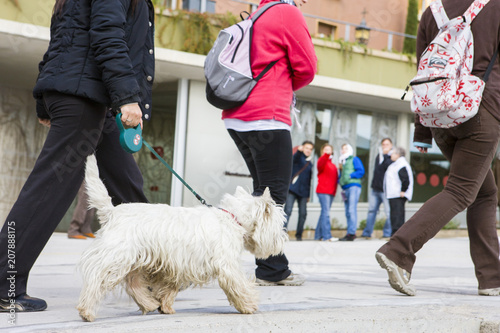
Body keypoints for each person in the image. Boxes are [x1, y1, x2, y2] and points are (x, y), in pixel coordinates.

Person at [0, 0, 154, 312]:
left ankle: (153, 274)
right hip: (86, 98)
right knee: (49, 190)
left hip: (97, 98)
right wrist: (127, 97)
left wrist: (45, 101)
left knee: (128, 188)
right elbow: (107, 35)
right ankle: (5, 283)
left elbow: (61, 39)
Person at [376, 0, 500, 297]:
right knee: (460, 191)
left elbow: (424, 74)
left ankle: (491, 278)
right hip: (479, 109)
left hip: (441, 116)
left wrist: (422, 131)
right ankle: (399, 250)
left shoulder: (431, 12)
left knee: (484, 192)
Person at [222, 0, 317, 286]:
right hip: (267, 117)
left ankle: (268, 264)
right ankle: (269, 270)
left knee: (262, 194)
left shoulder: (256, 15)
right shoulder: (286, 12)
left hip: (237, 116)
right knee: (274, 199)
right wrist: (283, 85)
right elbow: (308, 66)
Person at [361, 138, 394, 239]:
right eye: (383, 144)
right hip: (375, 189)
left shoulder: (392, 157)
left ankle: (387, 234)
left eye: (387, 144)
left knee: (389, 212)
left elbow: (386, 166)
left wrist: (385, 155)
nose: (385, 146)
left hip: (386, 191)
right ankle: (367, 233)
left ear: (391, 145)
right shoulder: (378, 156)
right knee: (371, 211)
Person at [284, 141, 314, 241]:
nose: (308, 150)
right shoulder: (297, 157)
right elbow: (294, 159)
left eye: (310, 149)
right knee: (287, 211)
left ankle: (299, 235)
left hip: (304, 193)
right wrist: (299, 152)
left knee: (303, 214)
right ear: (302, 148)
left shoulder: (310, 163)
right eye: (306, 148)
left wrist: (309, 195)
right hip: (292, 189)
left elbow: (309, 181)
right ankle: (281, 233)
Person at [338, 144, 365, 241]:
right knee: (347, 212)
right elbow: (341, 176)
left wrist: (350, 176)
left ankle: (352, 233)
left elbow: (361, 171)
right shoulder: (342, 162)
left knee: (351, 209)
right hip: (345, 188)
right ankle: (349, 232)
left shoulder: (354, 159)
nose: (343, 150)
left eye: (346, 148)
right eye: (342, 148)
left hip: (353, 186)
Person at [384, 147, 413, 235]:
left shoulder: (401, 164)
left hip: (398, 194)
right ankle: (395, 235)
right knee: (394, 216)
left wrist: (403, 191)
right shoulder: (396, 164)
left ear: (398, 154)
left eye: (392, 153)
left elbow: (405, 179)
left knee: (397, 216)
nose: (390, 156)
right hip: (393, 194)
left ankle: (397, 236)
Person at [314, 143, 338, 242]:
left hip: (331, 192)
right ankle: (327, 236)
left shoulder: (333, 164)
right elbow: (320, 166)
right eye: (325, 149)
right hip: (323, 191)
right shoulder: (321, 161)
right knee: (326, 213)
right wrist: (326, 155)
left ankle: (318, 236)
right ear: (323, 151)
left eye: (329, 149)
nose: (328, 151)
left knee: (324, 213)